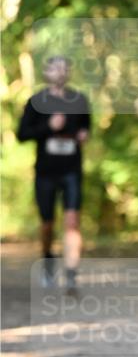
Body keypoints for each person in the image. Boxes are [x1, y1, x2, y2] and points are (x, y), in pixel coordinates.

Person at [17, 55, 91, 292]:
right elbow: (22, 134)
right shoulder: (36, 102)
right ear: (47, 73)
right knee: (47, 223)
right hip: (46, 172)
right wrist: (48, 127)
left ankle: (71, 273)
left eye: (64, 68)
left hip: (72, 170)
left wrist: (84, 134)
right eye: (55, 68)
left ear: (69, 73)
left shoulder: (79, 100)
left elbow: (86, 127)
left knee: (72, 222)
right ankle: (48, 258)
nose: (60, 72)